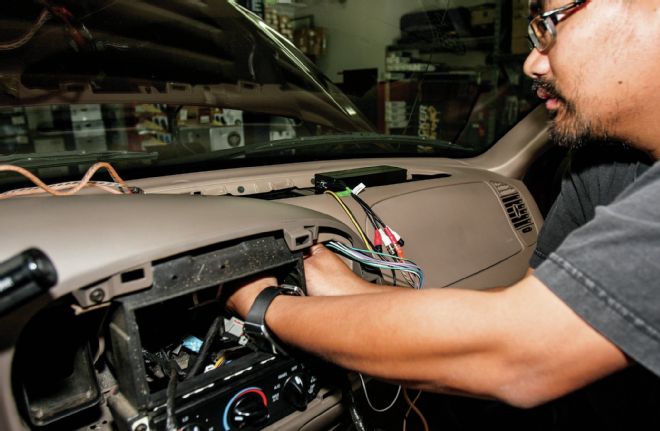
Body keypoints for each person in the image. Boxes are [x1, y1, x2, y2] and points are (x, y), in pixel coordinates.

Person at [227, 0, 660, 409]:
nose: (532, 62)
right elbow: (537, 306)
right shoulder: (602, 169)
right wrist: (345, 290)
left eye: (549, 22)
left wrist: (266, 305)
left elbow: (519, 350)